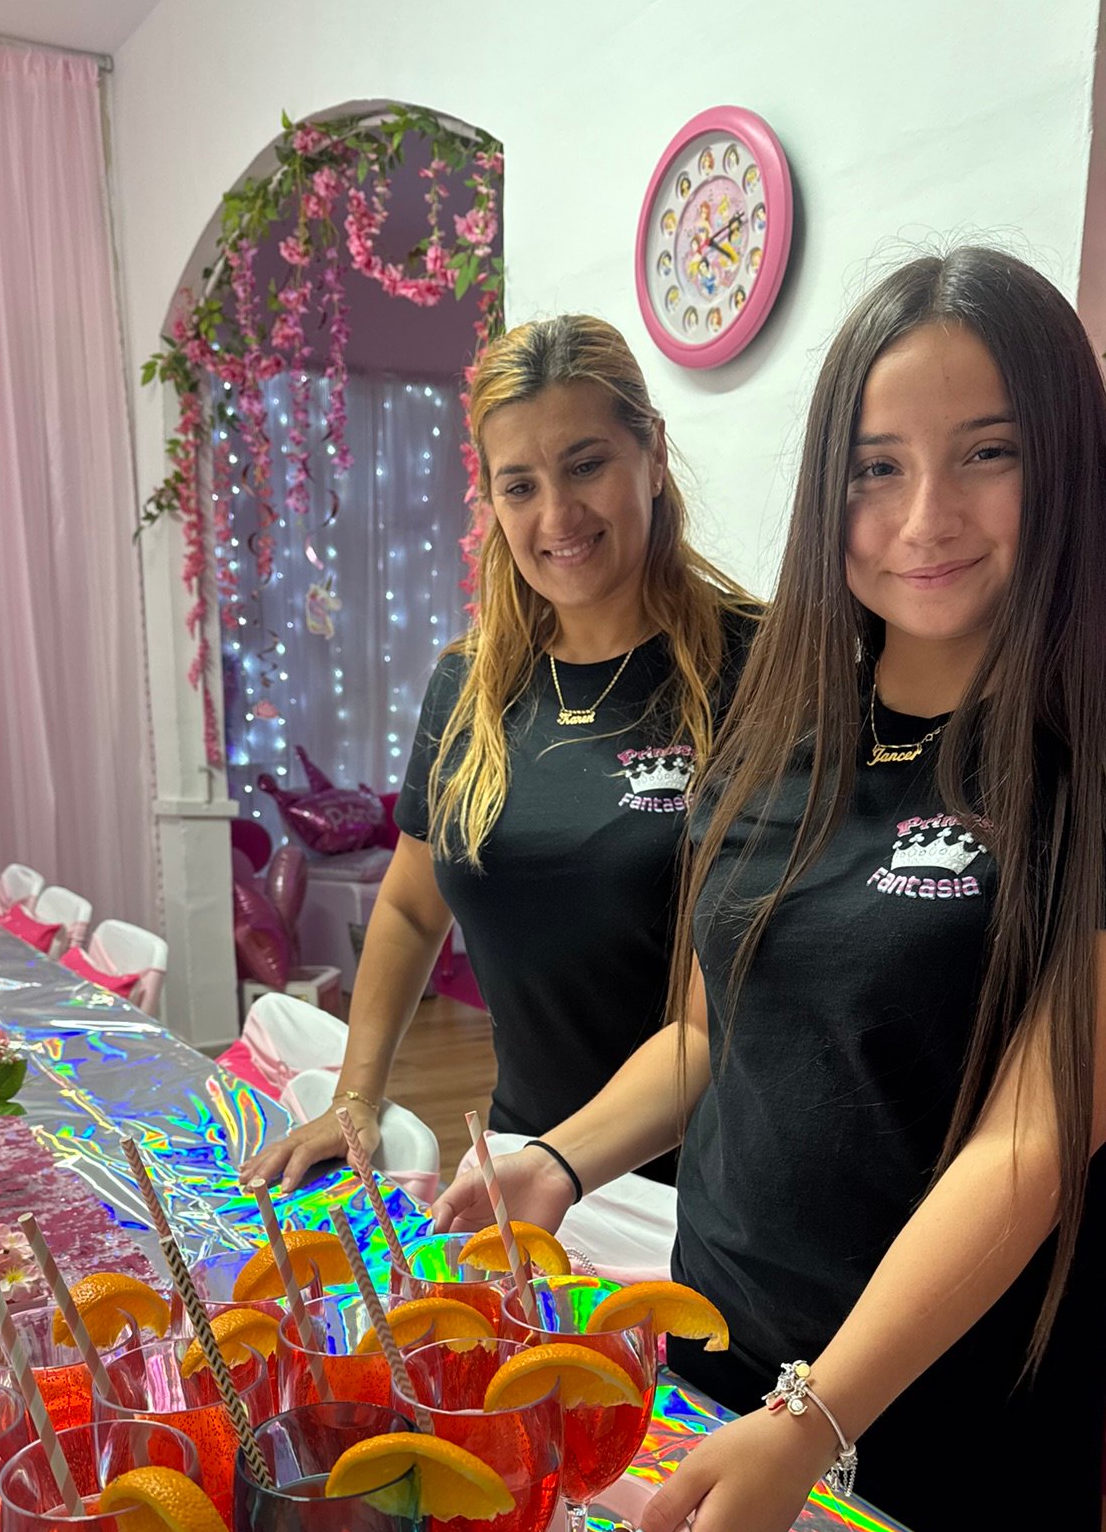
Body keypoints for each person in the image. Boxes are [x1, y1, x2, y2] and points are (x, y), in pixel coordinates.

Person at [434, 250, 1106, 1532]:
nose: (925, 517)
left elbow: (1028, 1146)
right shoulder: (780, 722)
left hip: (937, 1432)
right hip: (712, 1374)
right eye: (877, 468)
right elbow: (708, 1033)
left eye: (987, 452)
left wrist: (814, 1417)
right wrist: (556, 1161)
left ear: (1065, 461)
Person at [241, 315, 758, 1194]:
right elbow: (411, 907)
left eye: (587, 465)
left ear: (654, 456)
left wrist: (557, 1168)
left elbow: (742, 1001)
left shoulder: (759, 668)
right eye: (521, 485)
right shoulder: (471, 686)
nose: (558, 516)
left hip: (714, 1195)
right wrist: (355, 1097)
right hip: (523, 1167)